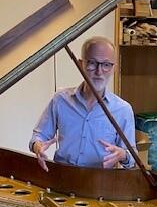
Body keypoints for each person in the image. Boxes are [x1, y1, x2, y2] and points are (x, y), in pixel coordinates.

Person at [30, 36, 136, 171]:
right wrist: (38, 147)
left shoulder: (122, 109)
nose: (99, 72)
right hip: (61, 176)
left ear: (114, 68)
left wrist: (123, 155)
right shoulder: (60, 100)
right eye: (92, 63)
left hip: (100, 183)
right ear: (81, 64)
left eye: (106, 65)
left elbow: (132, 156)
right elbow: (38, 136)